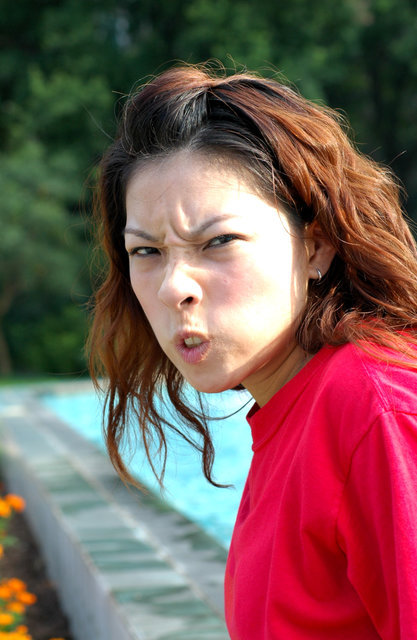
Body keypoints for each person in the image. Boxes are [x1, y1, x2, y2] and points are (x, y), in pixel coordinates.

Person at [88, 63, 417, 639]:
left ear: (315, 246)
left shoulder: (377, 408)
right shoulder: (297, 409)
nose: (173, 287)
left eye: (218, 242)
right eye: (147, 252)